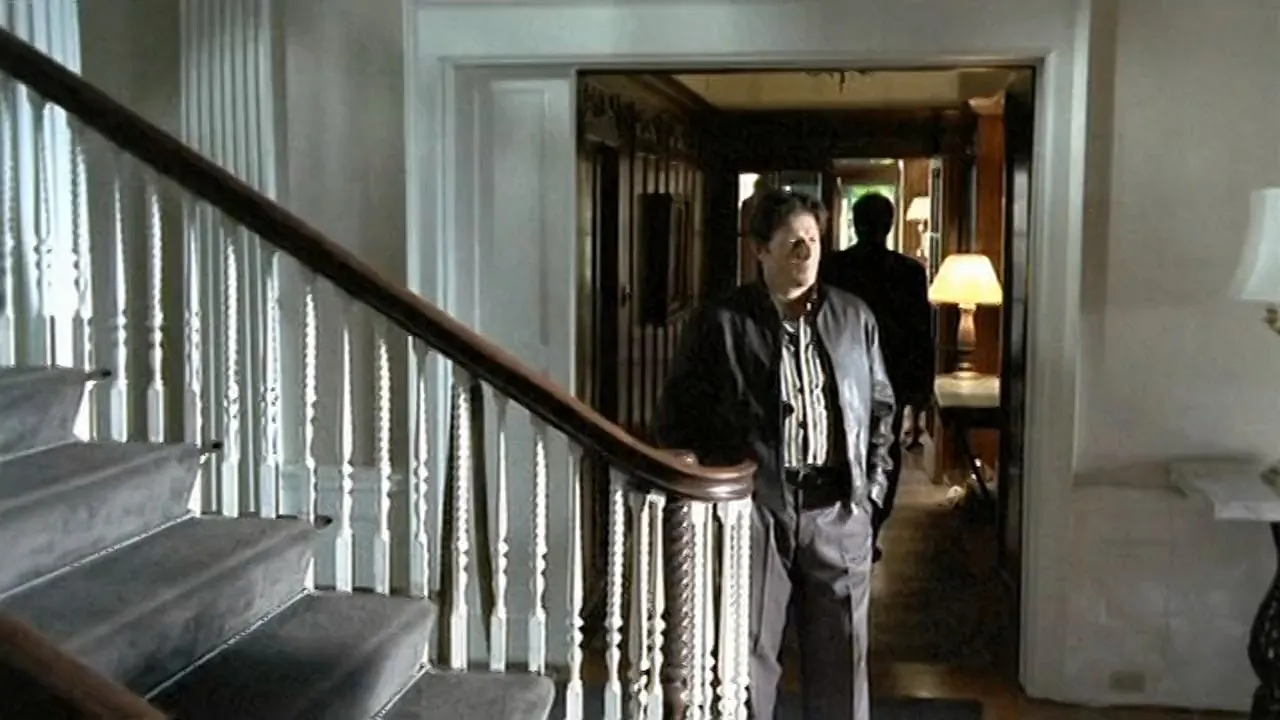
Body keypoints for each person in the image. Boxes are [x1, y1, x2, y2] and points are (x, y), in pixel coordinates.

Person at [653, 189, 895, 720]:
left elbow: (881, 410)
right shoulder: (720, 322)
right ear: (760, 249)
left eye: (813, 240)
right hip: (756, 513)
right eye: (791, 242)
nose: (805, 252)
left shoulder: (854, 318)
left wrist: (871, 497)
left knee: (842, 657)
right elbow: (677, 421)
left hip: (838, 510)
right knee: (747, 655)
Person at [820, 192, 934, 562]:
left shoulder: (833, 267)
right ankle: (870, 527)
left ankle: (849, 528)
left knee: (842, 446)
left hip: (841, 371)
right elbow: (921, 334)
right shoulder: (908, 272)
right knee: (883, 451)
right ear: (889, 224)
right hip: (892, 373)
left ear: (856, 223)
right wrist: (921, 386)